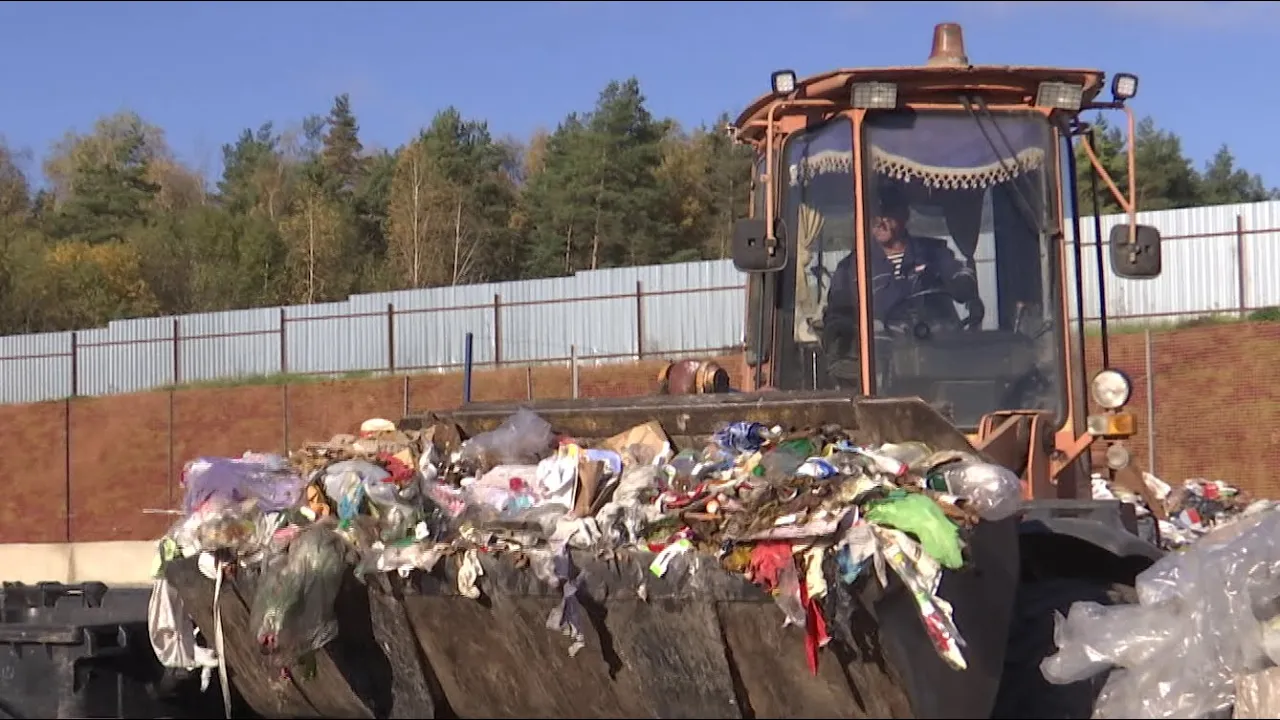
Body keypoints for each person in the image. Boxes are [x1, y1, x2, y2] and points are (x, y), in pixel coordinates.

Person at [821, 185, 984, 354]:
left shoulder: (933, 253)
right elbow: (837, 315)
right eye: (873, 215)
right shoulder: (851, 268)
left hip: (938, 350)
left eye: (886, 213)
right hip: (880, 357)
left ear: (904, 214)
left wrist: (963, 285)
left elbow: (959, 273)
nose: (879, 222)